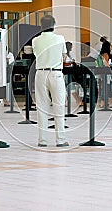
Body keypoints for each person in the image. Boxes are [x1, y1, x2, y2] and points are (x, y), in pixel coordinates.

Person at [32, 15, 69, 147]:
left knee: (41, 107)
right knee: (58, 106)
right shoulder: (60, 39)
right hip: (56, 74)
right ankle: (61, 140)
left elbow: (36, 55)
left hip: (40, 74)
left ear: (41, 26)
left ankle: (42, 140)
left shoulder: (35, 40)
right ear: (54, 25)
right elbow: (64, 56)